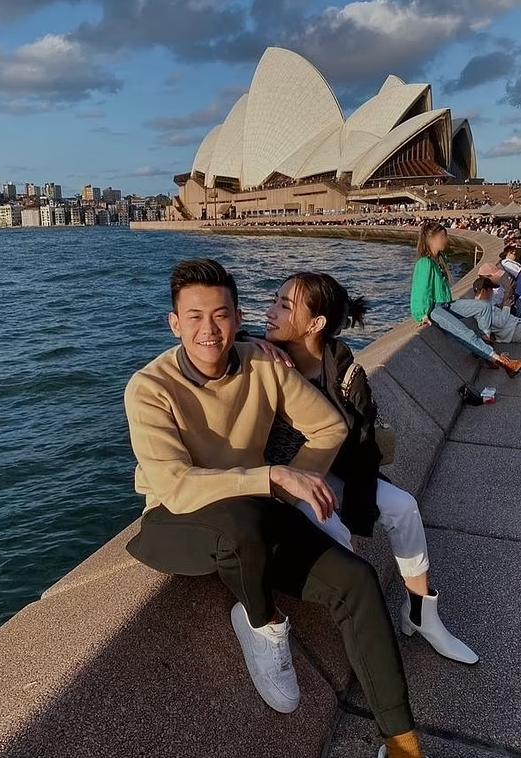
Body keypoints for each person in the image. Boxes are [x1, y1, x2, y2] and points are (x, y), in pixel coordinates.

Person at [124, 259, 424, 758]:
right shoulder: (149, 388)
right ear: (174, 324)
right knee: (240, 519)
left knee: (357, 581)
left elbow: (329, 426)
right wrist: (272, 476)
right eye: (194, 317)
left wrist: (292, 481)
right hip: (175, 520)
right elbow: (174, 485)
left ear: (238, 317)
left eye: (220, 315)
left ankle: (402, 740)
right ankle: (261, 622)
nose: (208, 329)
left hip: (255, 510)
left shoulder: (263, 364)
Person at [242, 272, 478, 667]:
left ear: (316, 324)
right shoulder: (260, 353)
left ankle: (422, 614)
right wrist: (249, 342)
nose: (270, 312)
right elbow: (215, 347)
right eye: (275, 300)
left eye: (284, 305)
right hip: (280, 479)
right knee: (333, 531)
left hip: (334, 470)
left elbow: (361, 445)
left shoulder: (343, 368)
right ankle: (362, 631)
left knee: (403, 506)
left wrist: (359, 503)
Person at [410, 220, 521, 376]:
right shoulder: (425, 263)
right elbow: (419, 291)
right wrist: (422, 314)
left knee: (483, 306)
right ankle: (503, 363)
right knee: (465, 332)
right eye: (442, 237)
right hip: (434, 309)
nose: (445, 240)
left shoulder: (439, 261)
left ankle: (485, 341)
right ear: (432, 239)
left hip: (446, 304)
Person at [473, 276, 521, 342]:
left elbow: (499, 313)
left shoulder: (486, 302)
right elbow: (499, 323)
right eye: (491, 290)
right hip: (512, 331)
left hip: (515, 325)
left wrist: (507, 300)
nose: (492, 292)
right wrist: (506, 307)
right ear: (483, 291)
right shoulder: (480, 309)